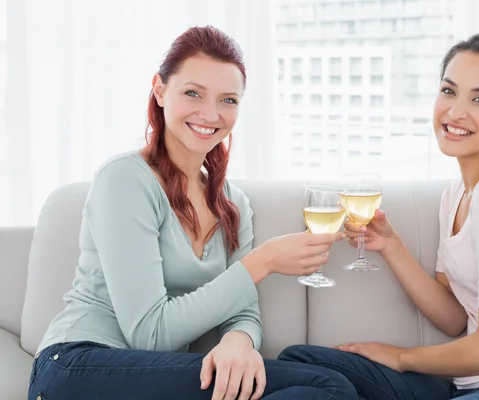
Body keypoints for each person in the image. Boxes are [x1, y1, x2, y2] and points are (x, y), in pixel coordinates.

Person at [28, 25, 358, 400]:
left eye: (228, 100)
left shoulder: (232, 204)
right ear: (160, 90)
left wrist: (238, 341)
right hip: (79, 365)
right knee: (327, 387)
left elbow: (243, 309)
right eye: (192, 93)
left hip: (152, 376)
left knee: (329, 383)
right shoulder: (125, 179)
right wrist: (261, 263)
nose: (210, 113)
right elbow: (149, 334)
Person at [279, 33, 479, 400]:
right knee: (301, 363)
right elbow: (453, 317)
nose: (456, 111)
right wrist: (391, 245)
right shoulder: (457, 193)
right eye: (449, 91)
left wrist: (402, 357)